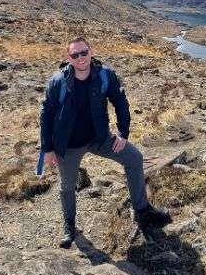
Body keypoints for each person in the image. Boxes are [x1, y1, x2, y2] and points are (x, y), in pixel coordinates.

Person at [39, 36, 171, 249]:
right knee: (67, 186)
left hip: (99, 138)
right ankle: (69, 225)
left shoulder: (104, 75)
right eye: (75, 55)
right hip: (68, 144)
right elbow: (46, 114)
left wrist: (122, 133)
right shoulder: (58, 82)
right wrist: (47, 149)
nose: (81, 58)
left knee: (134, 158)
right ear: (69, 58)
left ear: (91, 52)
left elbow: (120, 103)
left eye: (84, 52)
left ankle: (142, 211)